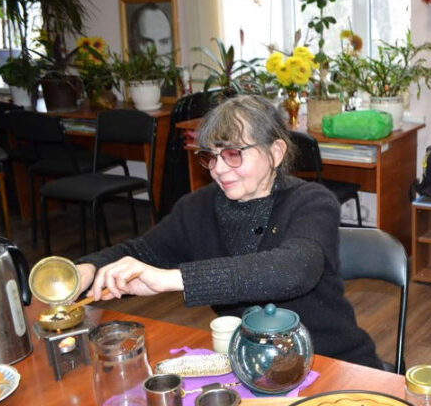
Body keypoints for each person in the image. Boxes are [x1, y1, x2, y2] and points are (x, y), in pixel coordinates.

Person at [74, 95, 382, 369]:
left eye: (233, 153)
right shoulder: (197, 208)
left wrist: (171, 280)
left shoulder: (312, 202)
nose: (218, 169)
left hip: (329, 360)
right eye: (210, 156)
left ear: (275, 152)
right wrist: (88, 269)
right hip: (252, 366)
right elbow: (141, 252)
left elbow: (294, 269)